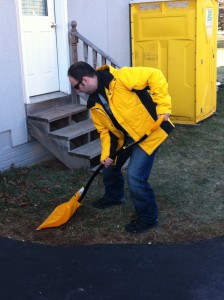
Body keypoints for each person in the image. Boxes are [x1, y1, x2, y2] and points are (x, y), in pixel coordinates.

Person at [68, 61, 174, 234]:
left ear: (85, 80)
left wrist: (163, 106)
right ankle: (114, 197)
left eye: (76, 87)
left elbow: (155, 75)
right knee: (109, 167)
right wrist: (107, 155)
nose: (77, 91)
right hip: (125, 139)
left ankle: (148, 218)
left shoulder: (121, 78)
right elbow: (105, 132)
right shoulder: (94, 104)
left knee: (135, 176)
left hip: (148, 134)